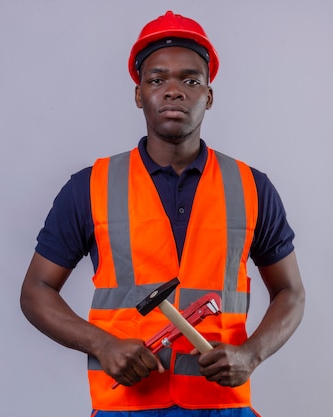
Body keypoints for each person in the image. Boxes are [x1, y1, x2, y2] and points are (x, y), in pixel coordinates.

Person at [20, 10, 305, 417]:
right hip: (127, 405)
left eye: (190, 80)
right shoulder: (89, 187)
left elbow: (290, 292)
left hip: (220, 406)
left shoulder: (251, 187)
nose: (174, 91)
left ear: (208, 95)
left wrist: (252, 354)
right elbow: (35, 292)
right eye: (157, 79)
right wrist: (102, 344)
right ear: (139, 94)